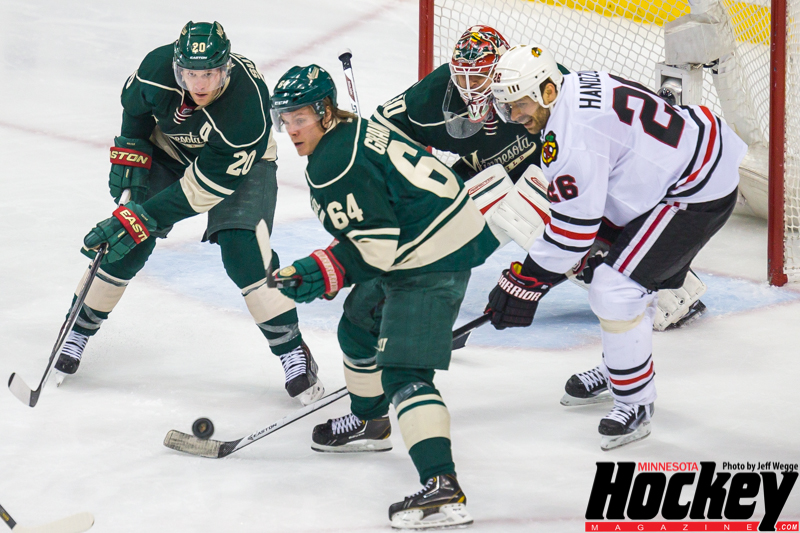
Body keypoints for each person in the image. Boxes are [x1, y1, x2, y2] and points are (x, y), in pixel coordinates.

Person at [269, 64, 497, 529]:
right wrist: (331, 266)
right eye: (285, 120)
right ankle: (370, 422)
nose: (291, 130)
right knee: (358, 323)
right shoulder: (351, 130)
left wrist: (321, 270)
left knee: (404, 372)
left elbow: (376, 250)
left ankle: (442, 487)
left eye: (300, 118)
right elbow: (377, 227)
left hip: (433, 253)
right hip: (431, 229)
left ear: (325, 112)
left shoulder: (333, 163)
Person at [485, 44, 745, 450]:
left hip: (695, 188)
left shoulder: (571, 138)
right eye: (508, 108)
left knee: (616, 288)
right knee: (615, 274)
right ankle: (621, 365)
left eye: (520, 105)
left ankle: (635, 402)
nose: (515, 117)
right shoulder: (576, 85)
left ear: (547, 91)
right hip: (689, 155)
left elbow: (573, 233)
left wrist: (525, 281)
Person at [61, 21, 323, 405]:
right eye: (190, 74)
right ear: (176, 67)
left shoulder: (246, 107)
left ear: (226, 69)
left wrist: (141, 217)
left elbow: (204, 188)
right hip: (168, 150)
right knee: (126, 243)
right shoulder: (155, 69)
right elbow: (135, 111)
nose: (199, 84)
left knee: (244, 251)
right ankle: (78, 329)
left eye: (210, 74)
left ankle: (292, 350)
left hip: (238, 165)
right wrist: (132, 151)